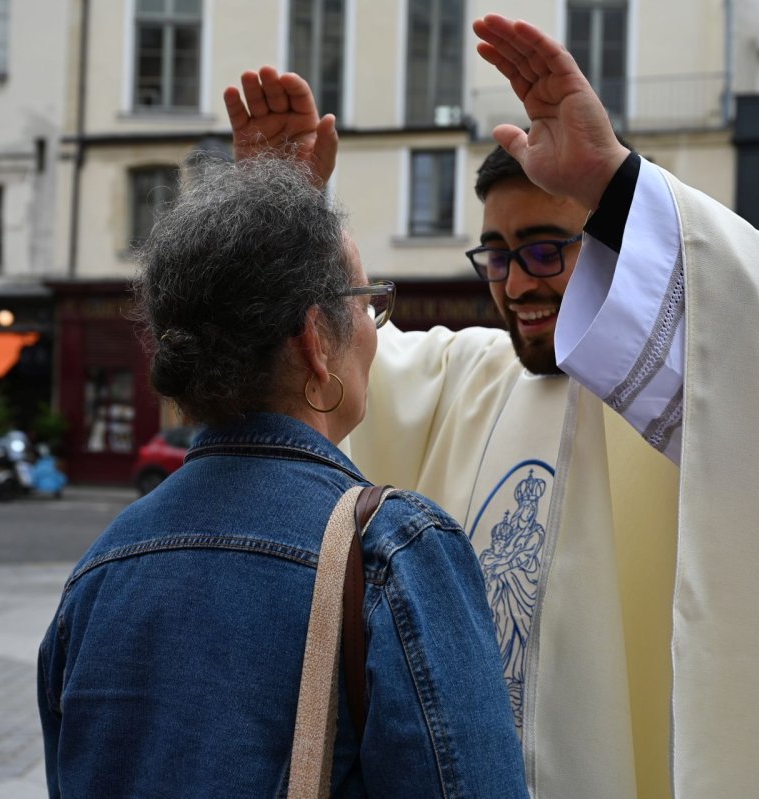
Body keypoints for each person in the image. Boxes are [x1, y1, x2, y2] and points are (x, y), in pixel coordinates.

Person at [226, 14, 759, 798]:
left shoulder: (683, 386)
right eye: (497, 254)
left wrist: (616, 180)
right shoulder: (464, 379)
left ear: (617, 244)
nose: (517, 281)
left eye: (546, 247)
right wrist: (280, 215)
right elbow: (320, 361)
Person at [35, 155, 527, 798]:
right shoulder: (394, 552)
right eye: (365, 304)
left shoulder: (100, 571)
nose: (377, 335)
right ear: (315, 341)